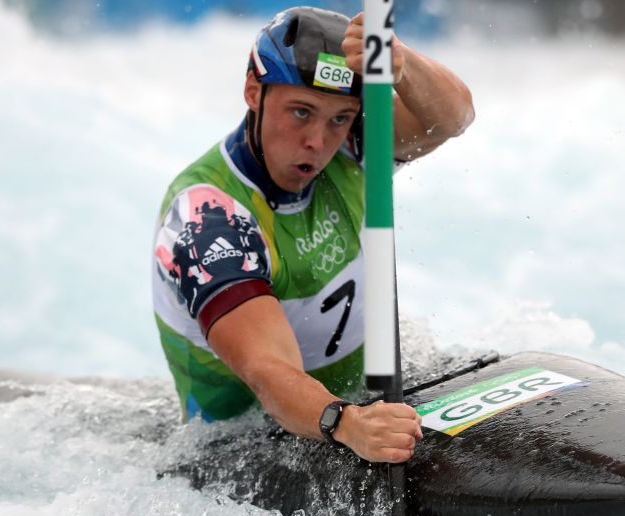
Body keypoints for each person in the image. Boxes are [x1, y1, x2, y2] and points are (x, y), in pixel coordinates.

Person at [152, 7, 474, 464]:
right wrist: (349, 425)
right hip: (245, 445)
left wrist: (401, 65)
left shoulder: (350, 143)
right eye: (300, 112)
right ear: (253, 91)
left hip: (359, 402)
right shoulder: (209, 220)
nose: (318, 142)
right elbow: (268, 369)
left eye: (339, 118)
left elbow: (452, 119)